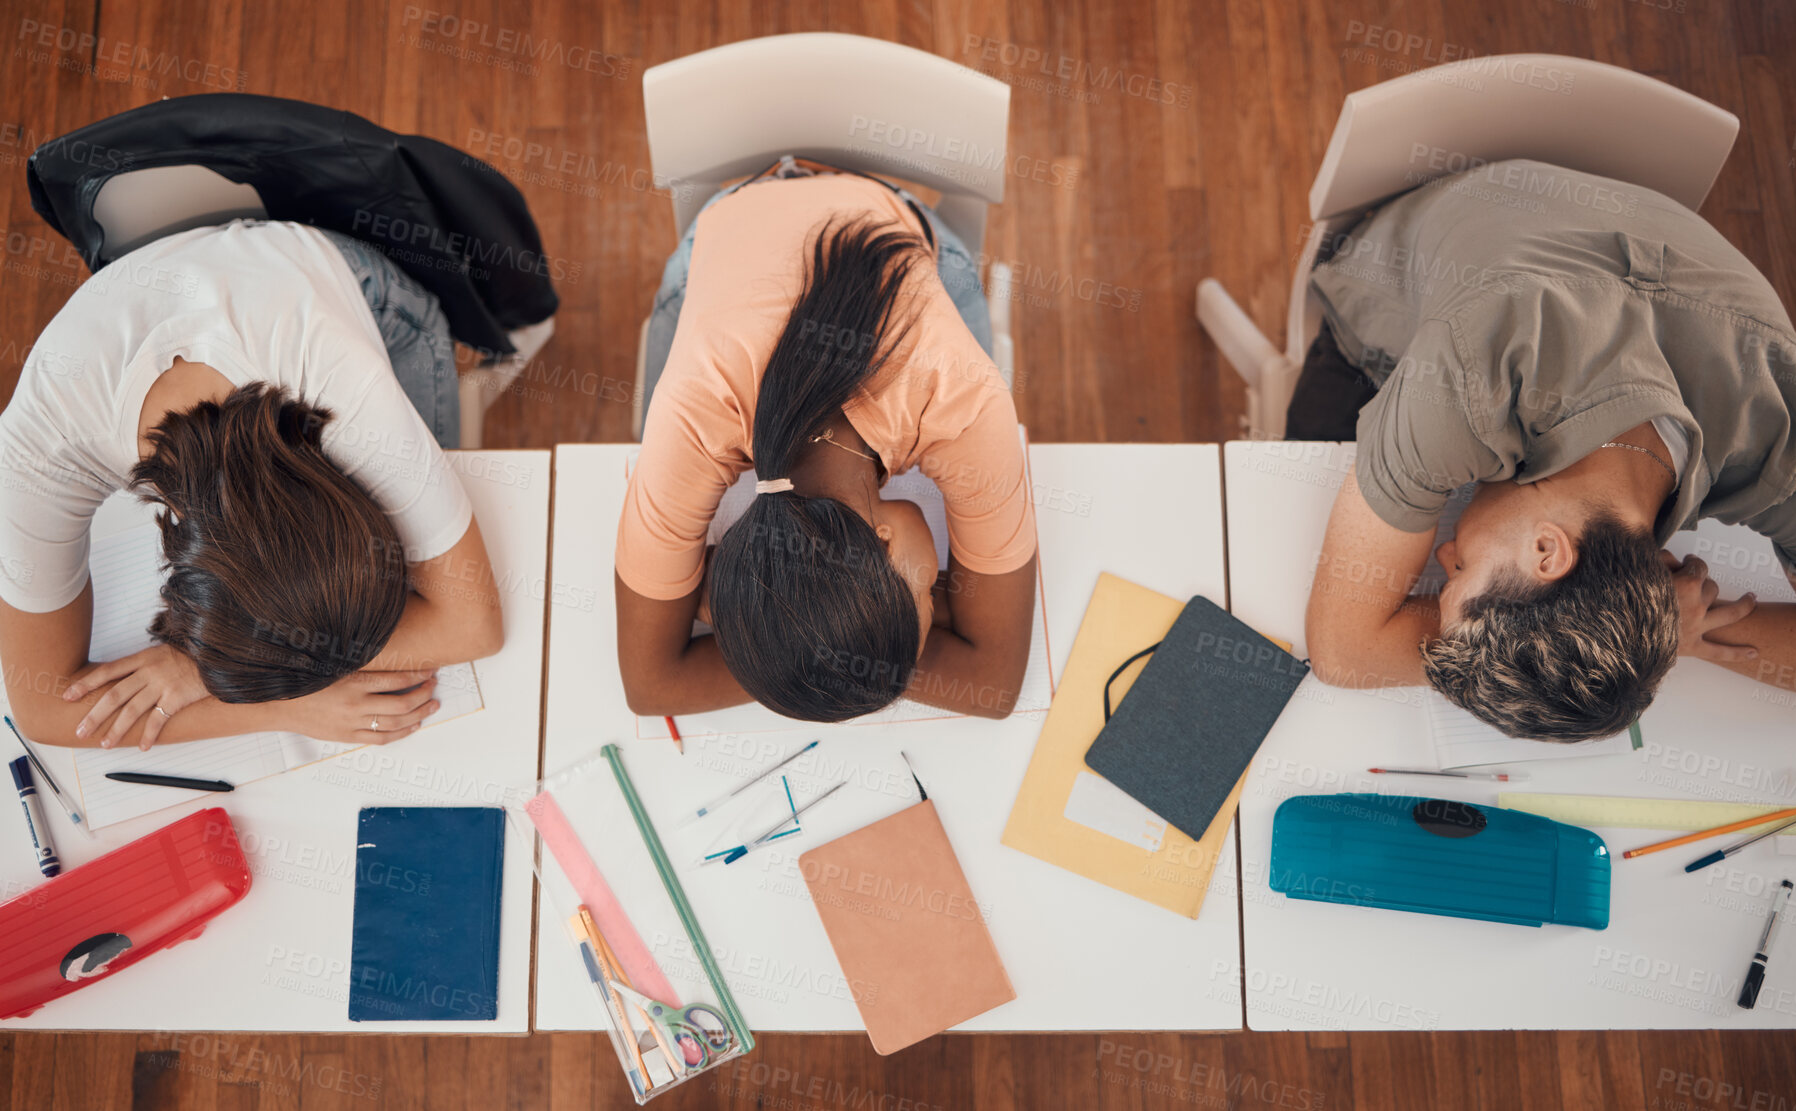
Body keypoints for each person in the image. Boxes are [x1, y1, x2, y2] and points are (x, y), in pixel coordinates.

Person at [1295, 159, 1796, 738]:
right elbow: (1343, 651)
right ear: (1546, 550)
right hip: (1402, 266)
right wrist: (1653, 642)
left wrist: (1639, 641)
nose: (1444, 558)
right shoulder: (1469, 380)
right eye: (1461, 575)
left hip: (1589, 199)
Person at [0, 219, 505, 750]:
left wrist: (200, 669)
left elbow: (473, 625)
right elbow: (42, 710)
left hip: (366, 296)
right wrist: (286, 704)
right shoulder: (40, 452)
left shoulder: (348, 392)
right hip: (219, 283)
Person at [616, 157, 1037, 722]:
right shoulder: (693, 416)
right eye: (931, 603)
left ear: (886, 546)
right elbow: (652, 686)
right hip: (743, 237)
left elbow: (994, 685)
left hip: (864, 223)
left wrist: (819, 642)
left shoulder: (964, 402)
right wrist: (775, 622)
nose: (938, 604)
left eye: (927, 601)